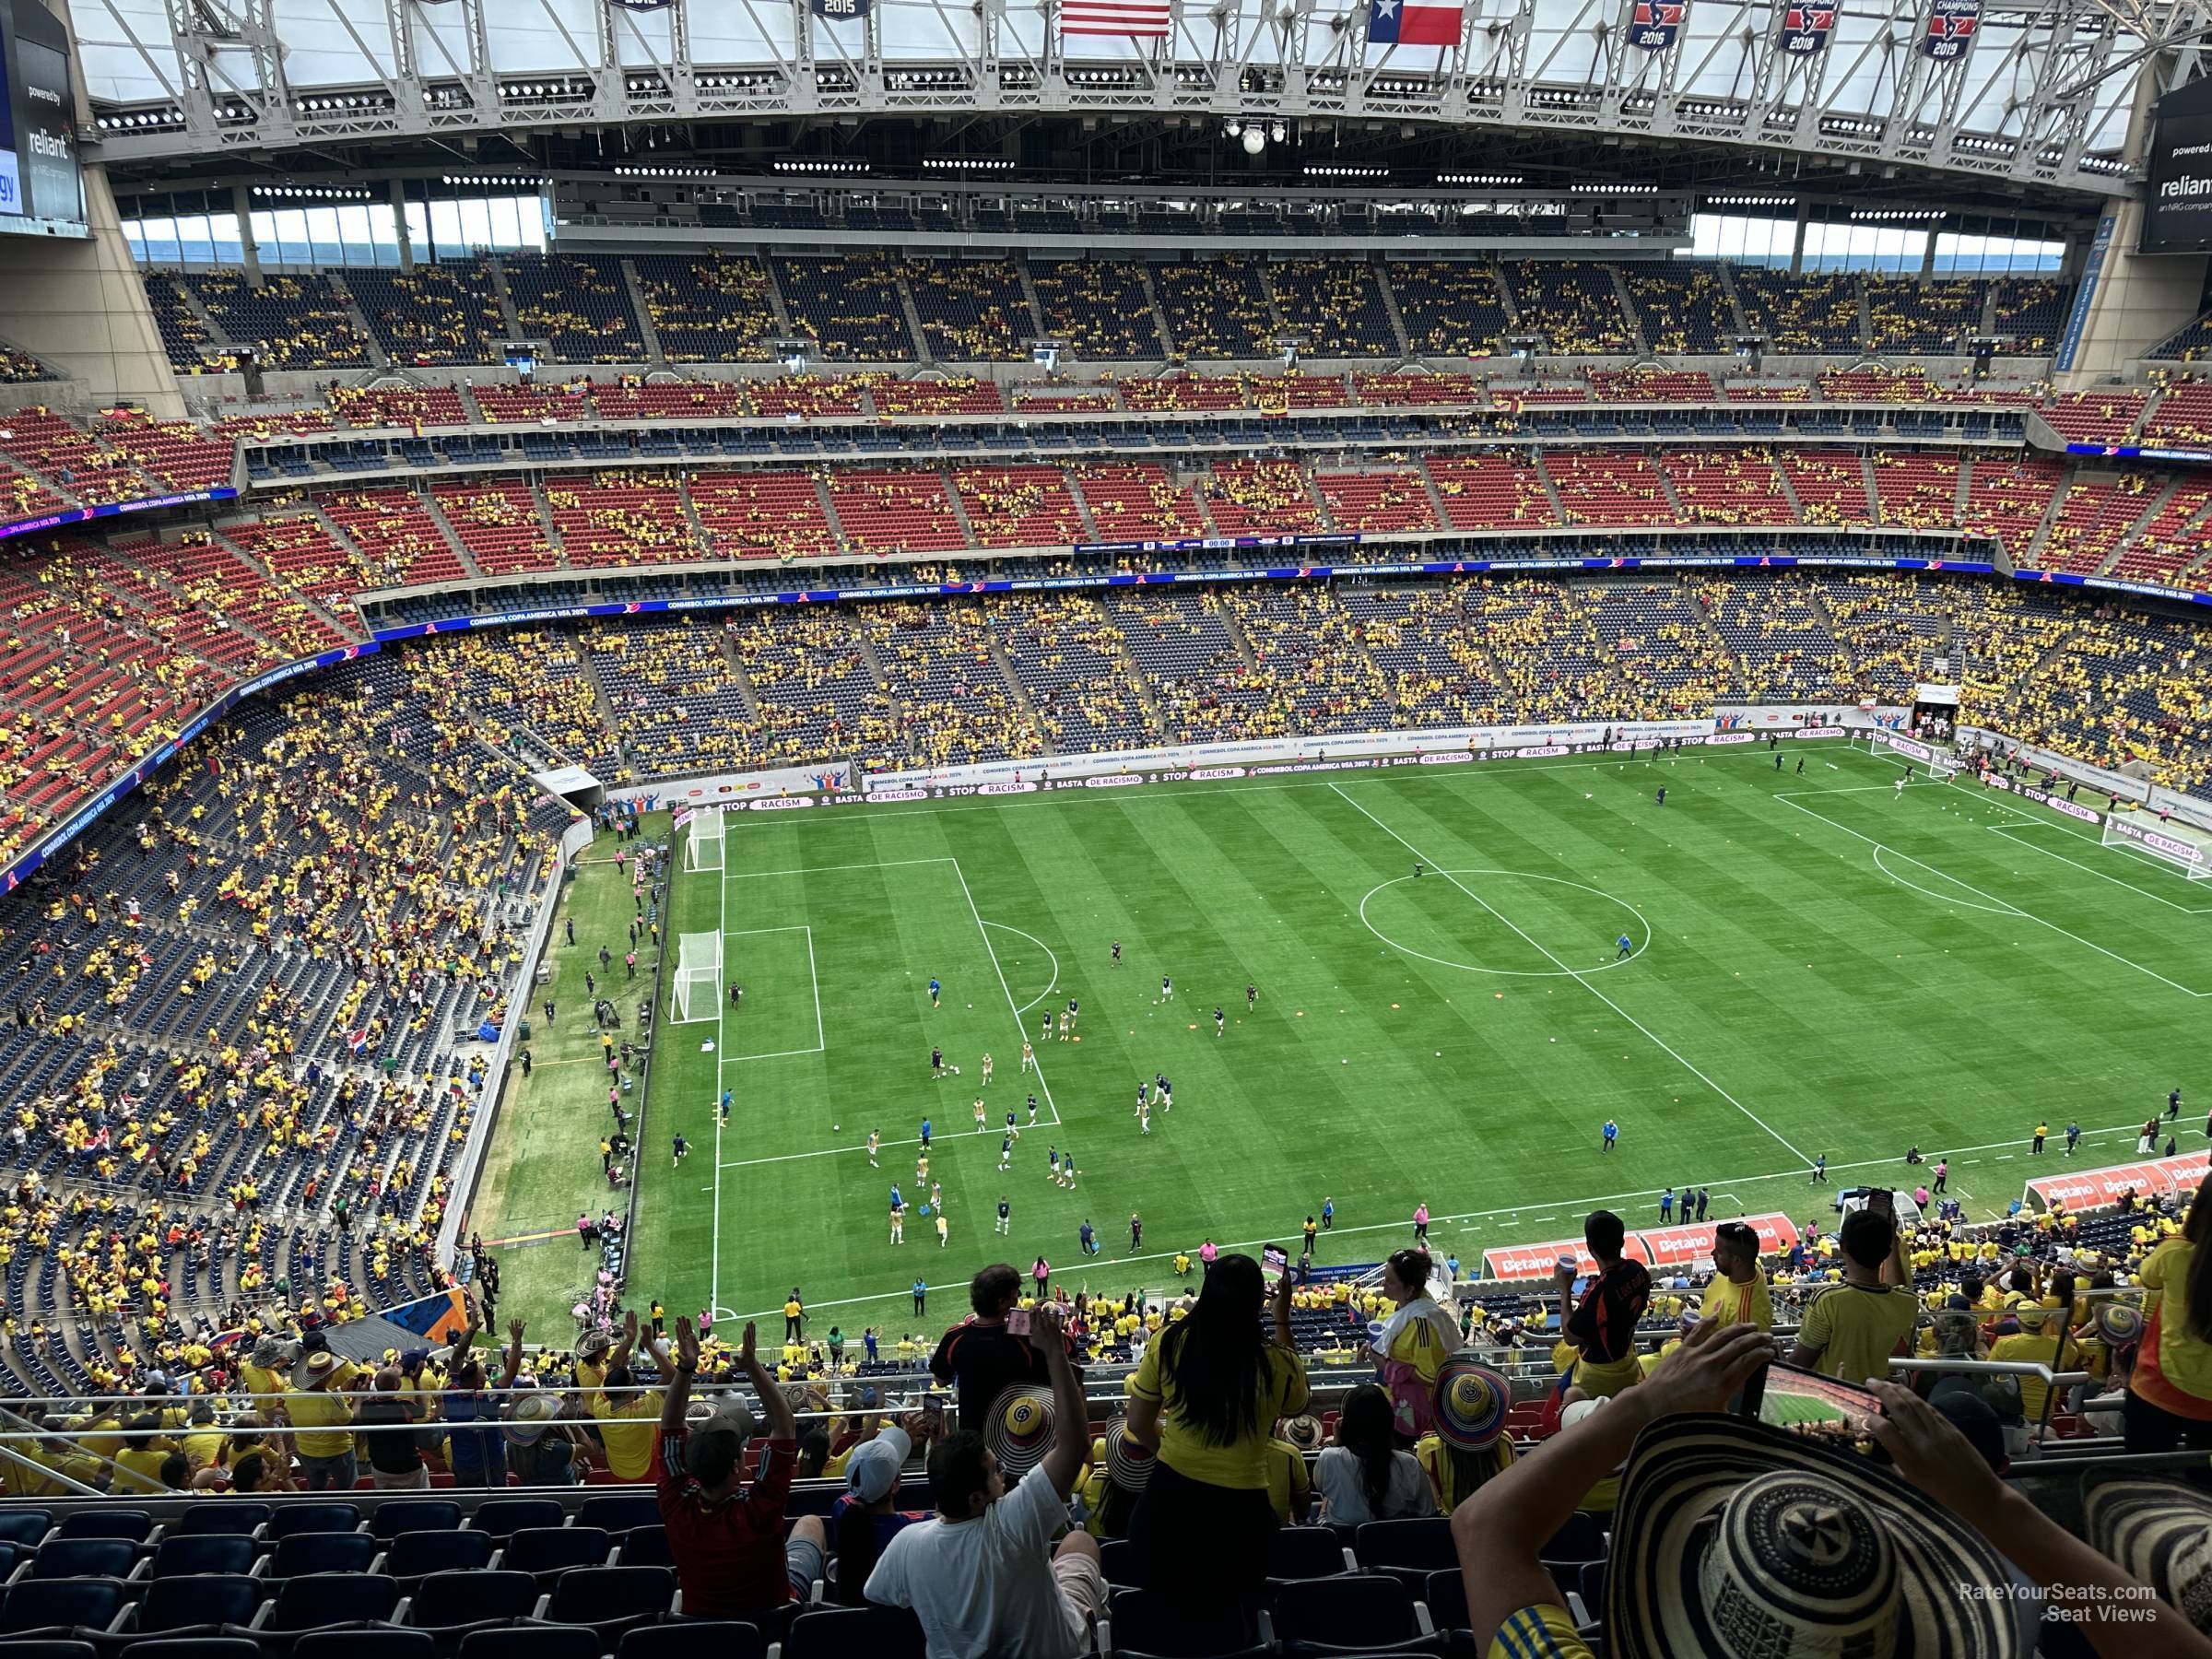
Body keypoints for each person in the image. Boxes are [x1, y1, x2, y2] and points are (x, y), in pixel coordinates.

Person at [865, 1304, 1105, 1658]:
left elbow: (878, 1593)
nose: (1003, 1472)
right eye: (995, 1471)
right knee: (1080, 1541)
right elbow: (1074, 1445)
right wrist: (1055, 1351)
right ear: (976, 1499)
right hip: (1060, 1650)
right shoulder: (1014, 1521)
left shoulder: (907, 1544)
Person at [1124, 1253, 1310, 1634]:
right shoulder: (1275, 1363)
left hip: (1167, 1507)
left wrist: (1175, 1458)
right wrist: (1282, 1318)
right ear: (1258, 1302)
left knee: (1167, 1617)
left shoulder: (1169, 1342)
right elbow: (1299, 1403)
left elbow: (1139, 1424)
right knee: (1227, 1620)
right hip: (1242, 1518)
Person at [654, 1314, 825, 1629]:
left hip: (702, 1626)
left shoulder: (675, 1503)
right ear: (737, 1466)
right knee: (811, 1523)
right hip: (775, 1617)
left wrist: (686, 1368)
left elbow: (670, 1424)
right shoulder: (759, 1508)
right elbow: (785, 1424)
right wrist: (752, 1367)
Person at [1789, 1205, 1918, 1385]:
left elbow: (1800, 1363)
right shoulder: (1908, 1302)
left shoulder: (1829, 1300)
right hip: (1873, 1395)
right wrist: (1891, 1237)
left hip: (1831, 1397)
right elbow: (1898, 1287)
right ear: (1888, 1252)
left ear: (1842, 1247)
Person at [2124, 1193, 2212, 1451]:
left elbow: (2148, 1278)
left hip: (2160, 1385)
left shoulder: (2174, 1252)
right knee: (2203, 1485)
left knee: (2143, 1476)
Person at [830, 1415, 931, 1606]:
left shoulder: (841, 1509)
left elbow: (869, 1480)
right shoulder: (917, 1525)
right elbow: (949, 1510)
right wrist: (938, 1442)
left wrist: (901, 1443)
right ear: (895, 1485)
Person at [1369, 1247, 1465, 1441]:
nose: (1383, 1284)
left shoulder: (1424, 1323)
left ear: (1410, 1289)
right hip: (1391, 1394)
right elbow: (1389, 1337)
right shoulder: (1396, 1304)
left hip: (1408, 1408)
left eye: (1390, 1281)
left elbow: (1431, 1375)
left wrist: (1387, 1367)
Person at [1554, 1211, 1651, 1399]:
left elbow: (1571, 1337)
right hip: (1628, 1361)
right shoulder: (1638, 1270)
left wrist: (1564, 1290)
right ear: (1622, 1242)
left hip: (1598, 1375)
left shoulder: (1599, 1292)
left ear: (1590, 1248)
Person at [1315, 1382, 1437, 1524]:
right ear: (1388, 1422)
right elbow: (1428, 1513)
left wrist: (1337, 1442)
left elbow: (1323, 1488)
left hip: (1343, 1544)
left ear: (1347, 1425)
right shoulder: (1409, 1464)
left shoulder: (1329, 1458)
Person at [1415, 1358, 1516, 1511]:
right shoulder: (1505, 1442)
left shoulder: (1428, 1449)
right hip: (1494, 1524)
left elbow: (1432, 1503)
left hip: (1448, 1528)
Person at [284, 1348, 359, 1491]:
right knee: (348, 1487)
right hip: (337, 1451)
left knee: (315, 1488)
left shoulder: (291, 1394)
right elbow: (347, 1419)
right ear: (329, 1376)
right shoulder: (332, 1399)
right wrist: (354, 1397)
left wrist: (339, 1393)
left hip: (307, 1451)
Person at [357, 1366, 429, 1489]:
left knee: (388, 1501)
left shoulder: (367, 1406)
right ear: (396, 1385)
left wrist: (361, 1393)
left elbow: (356, 1414)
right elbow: (422, 1411)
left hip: (381, 1467)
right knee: (420, 1499)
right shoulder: (404, 1405)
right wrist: (416, 1382)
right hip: (409, 1466)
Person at [1700, 1220, 1774, 1331]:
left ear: (1736, 1261)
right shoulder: (1745, 1266)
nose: (1713, 1253)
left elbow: (1739, 1348)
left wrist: (1695, 1337)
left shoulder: (1746, 1316)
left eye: (1719, 1251)